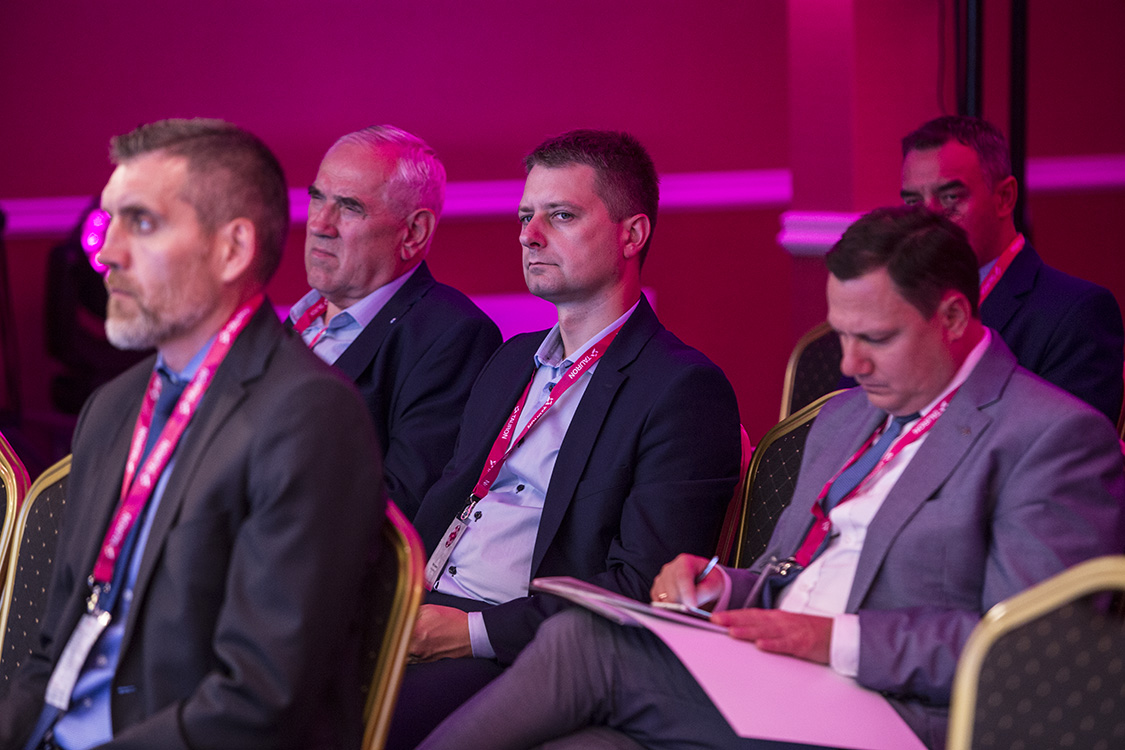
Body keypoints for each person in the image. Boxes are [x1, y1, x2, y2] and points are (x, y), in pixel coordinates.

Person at [416, 206, 1125, 750]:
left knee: (580, 644)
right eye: (841, 334)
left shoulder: (1050, 438)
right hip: (777, 679)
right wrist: (722, 585)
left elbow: (1029, 654)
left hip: (900, 715)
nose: (849, 364)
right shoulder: (845, 417)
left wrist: (831, 640)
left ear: (953, 316)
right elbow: (790, 576)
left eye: (875, 338)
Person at [0, 119, 384, 750]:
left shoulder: (309, 415)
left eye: (141, 222)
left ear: (232, 249)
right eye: (111, 221)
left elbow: (257, 702)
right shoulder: (113, 407)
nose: (107, 252)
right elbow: (52, 650)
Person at [388, 130, 742, 748]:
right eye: (525, 215)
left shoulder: (682, 389)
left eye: (560, 215)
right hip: (421, 602)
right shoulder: (510, 359)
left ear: (632, 235)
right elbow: (443, 502)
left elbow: (639, 588)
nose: (528, 235)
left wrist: (468, 633)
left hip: (519, 645)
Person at [289, 125, 501, 518]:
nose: (319, 224)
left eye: (349, 207)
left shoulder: (451, 336)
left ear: (414, 232)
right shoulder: (287, 327)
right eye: (317, 199)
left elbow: (402, 504)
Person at [901, 115, 1124, 424]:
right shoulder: (898, 302)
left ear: (1004, 198)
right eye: (913, 203)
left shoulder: (1077, 313)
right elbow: (847, 419)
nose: (928, 220)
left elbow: (1068, 446)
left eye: (950, 197)